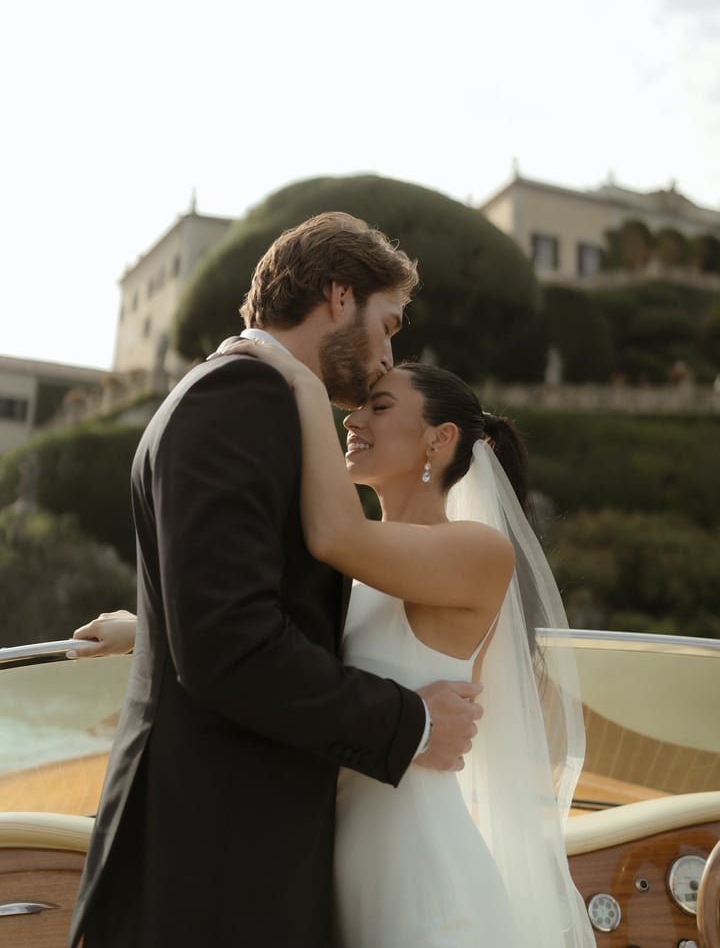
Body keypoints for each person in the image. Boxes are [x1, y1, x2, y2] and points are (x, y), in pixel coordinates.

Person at [75, 349, 595, 945]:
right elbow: (285, 647)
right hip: (332, 865)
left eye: (379, 406)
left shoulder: (476, 552)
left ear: (438, 439)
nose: (352, 420)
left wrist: (298, 380)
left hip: (418, 872)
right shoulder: (358, 567)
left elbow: (332, 533)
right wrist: (148, 630)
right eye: (352, 409)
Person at [67, 212, 484, 948]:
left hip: (227, 846)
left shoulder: (238, 397)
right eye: (387, 325)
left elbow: (225, 609)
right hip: (213, 861)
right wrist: (410, 723)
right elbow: (230, 644)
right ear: (336, 296)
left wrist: (150, 631)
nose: (389, 356)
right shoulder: (242, 401)